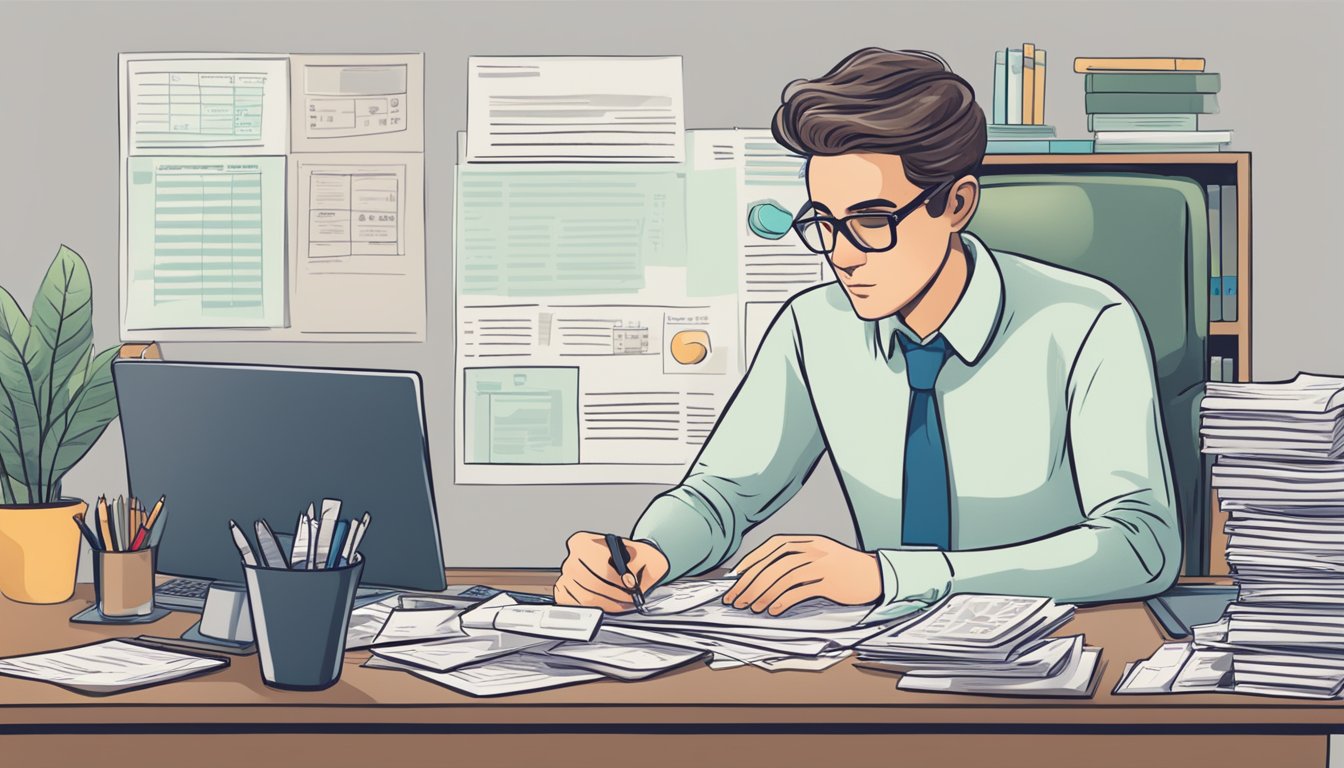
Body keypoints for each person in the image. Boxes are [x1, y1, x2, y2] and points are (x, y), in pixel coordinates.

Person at [555, 47, 1180, 618]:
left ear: (957, 204)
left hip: (1053, 660)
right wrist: (647, 552)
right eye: (823, 222)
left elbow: (1141, 543)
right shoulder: (813, 327)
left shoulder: (1088, 326)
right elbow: (722, 494)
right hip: (873, 658)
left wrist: (892, 575)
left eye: (872, 220)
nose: (841, 255)